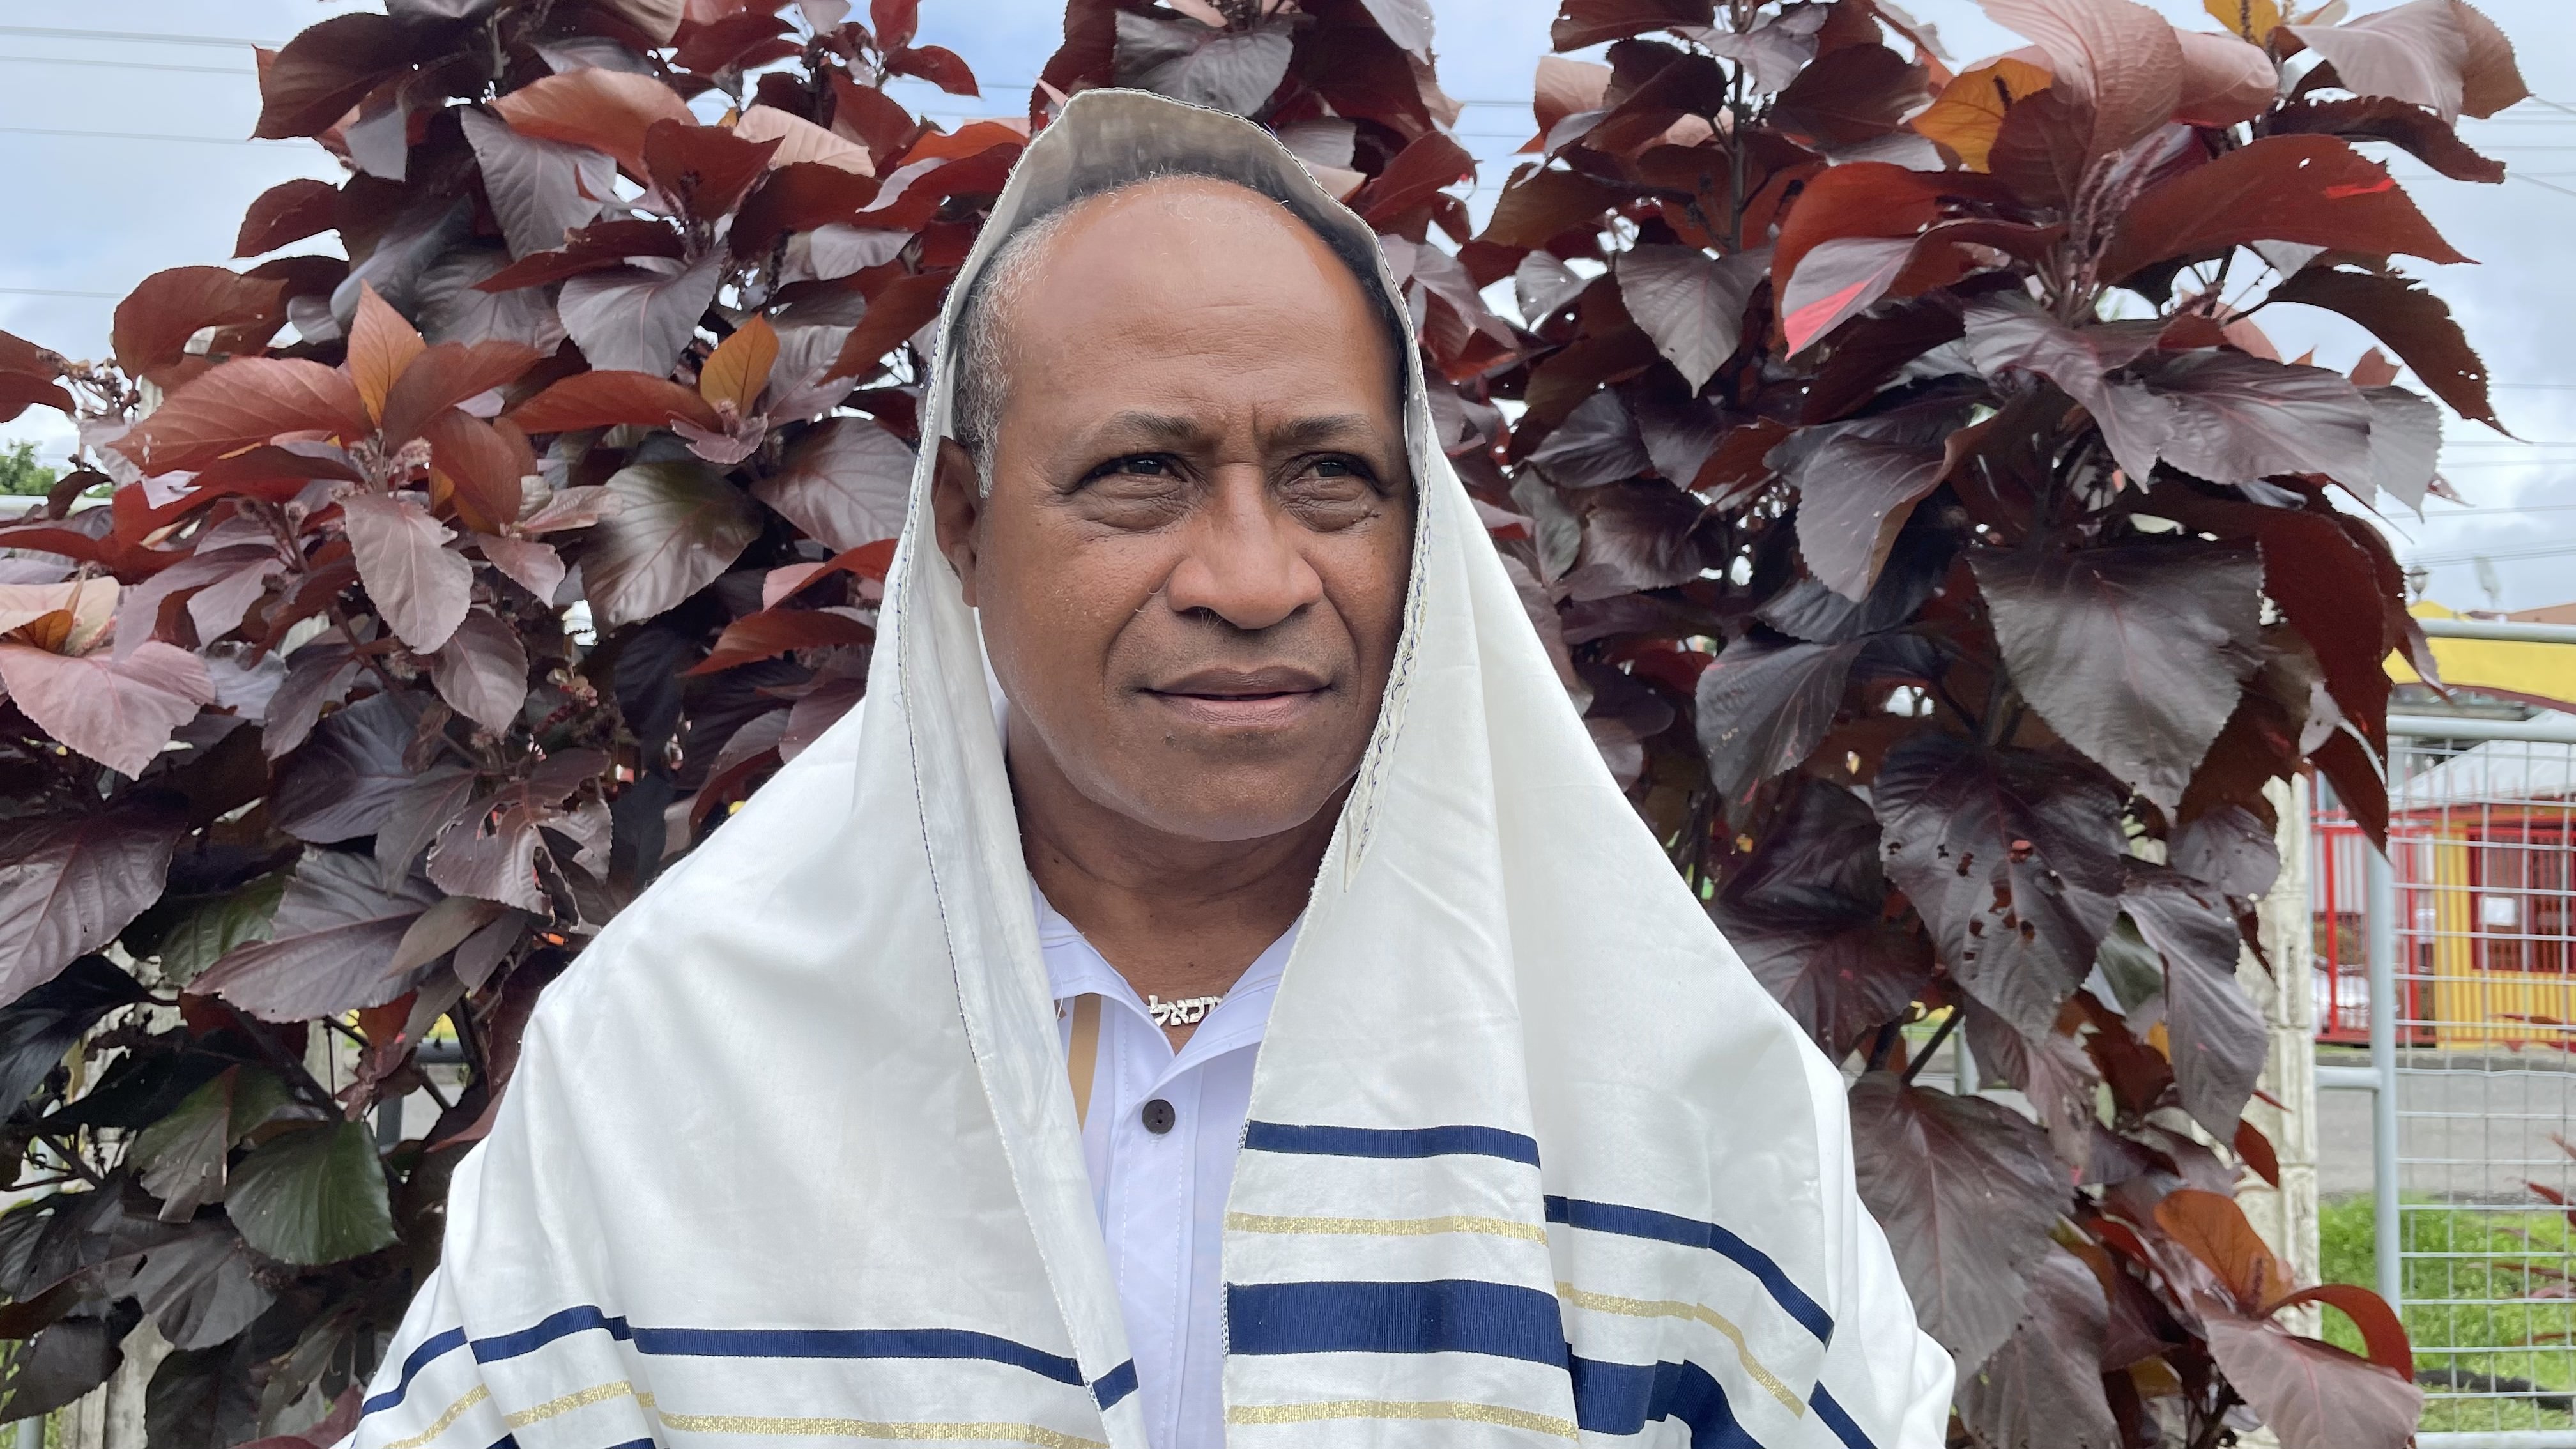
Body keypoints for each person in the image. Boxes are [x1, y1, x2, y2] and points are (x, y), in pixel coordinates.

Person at [347, 90, 1952, 1449]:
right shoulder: (676, 1059)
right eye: (1142, 473)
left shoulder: (1666, 1083)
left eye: (1331, 475)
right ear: (963, 527)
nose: (1253, 580)